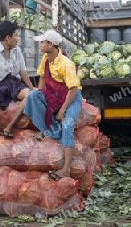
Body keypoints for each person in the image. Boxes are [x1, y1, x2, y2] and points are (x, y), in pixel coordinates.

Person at [23, 30, 82, 181]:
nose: (40, 45)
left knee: (68, 125)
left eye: (43, 42)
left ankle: (66, 169)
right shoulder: (45, 58)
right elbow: (42, 79)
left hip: (71, 97)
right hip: (54, 94)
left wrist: (62, 110)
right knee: (34, 95)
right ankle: (51, 131)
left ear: (51, 44)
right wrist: (43, 96)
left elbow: (73, 90)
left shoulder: (66, 64)